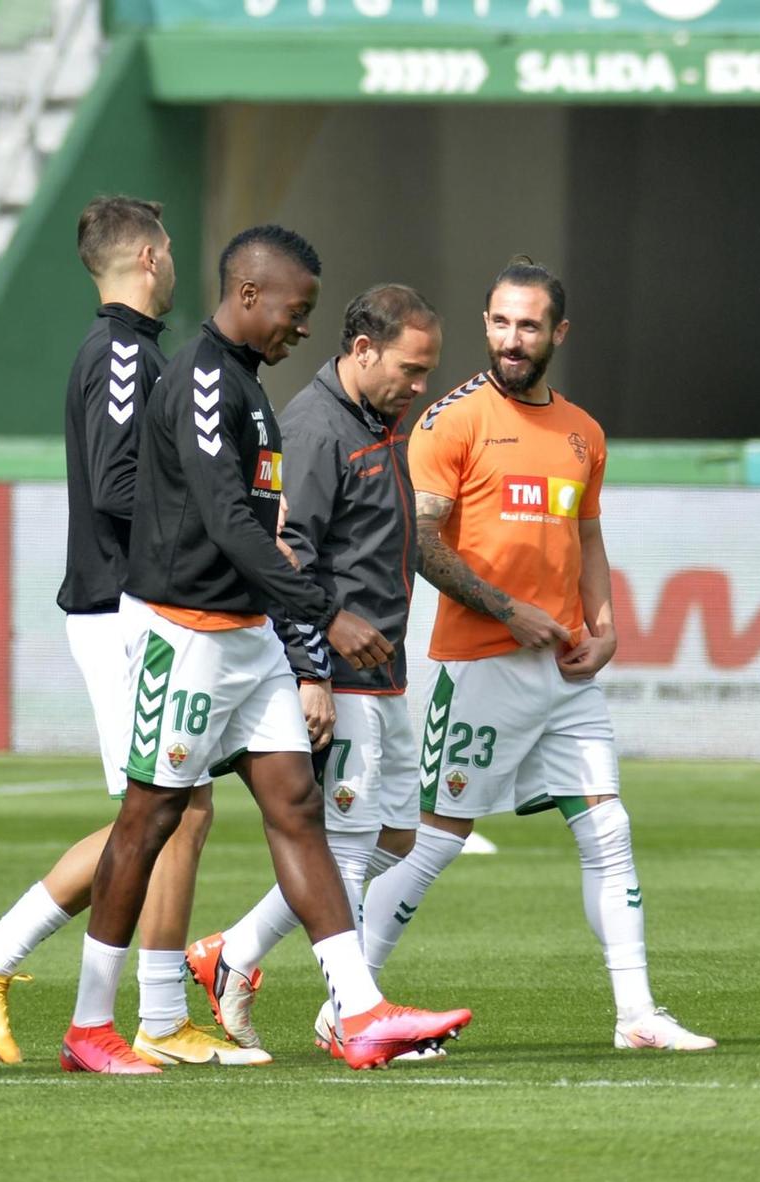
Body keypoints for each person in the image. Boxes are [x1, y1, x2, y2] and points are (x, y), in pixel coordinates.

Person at [58, 224, 473, 1074]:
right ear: (250, 295)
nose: (303, 326)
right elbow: (231, 524)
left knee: (295, 805)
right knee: (149, 819)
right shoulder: (204, 381)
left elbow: (258, 532)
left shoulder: (245, 385)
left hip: (247, 639)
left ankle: (360, 1012)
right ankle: (90, 1024)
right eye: (297, 308)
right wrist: (327, 614)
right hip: (187, 635)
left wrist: (291, 630)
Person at [359, 257, 715, 1052]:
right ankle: (349, 1004)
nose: (510, 340)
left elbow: (585, 533)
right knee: (438, 838)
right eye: (498, 322)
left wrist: (606, 621)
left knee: (608, 827)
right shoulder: (452, 420)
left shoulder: (583, 433)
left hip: (563, 671)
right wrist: (506, 609)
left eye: (527, 325)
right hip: (479, 661)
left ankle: (637, 1017)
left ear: (559, 332)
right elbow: (419, 541)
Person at [0, 196, 251, 1068]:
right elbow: (119, 486)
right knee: (164, 809)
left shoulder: (137, 352)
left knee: (180, 808)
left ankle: (147, 1010)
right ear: (150, 256)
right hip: (121, 607)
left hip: (134, 606)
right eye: (173, 246)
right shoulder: (122, 353)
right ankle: (3, 961)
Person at [186, 283, 473, 1060]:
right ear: (361, 351)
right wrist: (312, 663)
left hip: (383, 672)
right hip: (340, 673)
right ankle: (354, 1012)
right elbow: (289, 553)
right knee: (343, 846)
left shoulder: (380, 422)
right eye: (411, 370)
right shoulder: (315, 430)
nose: (420, 387)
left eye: (427, 372)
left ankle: (234, 951)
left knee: (396, 834)